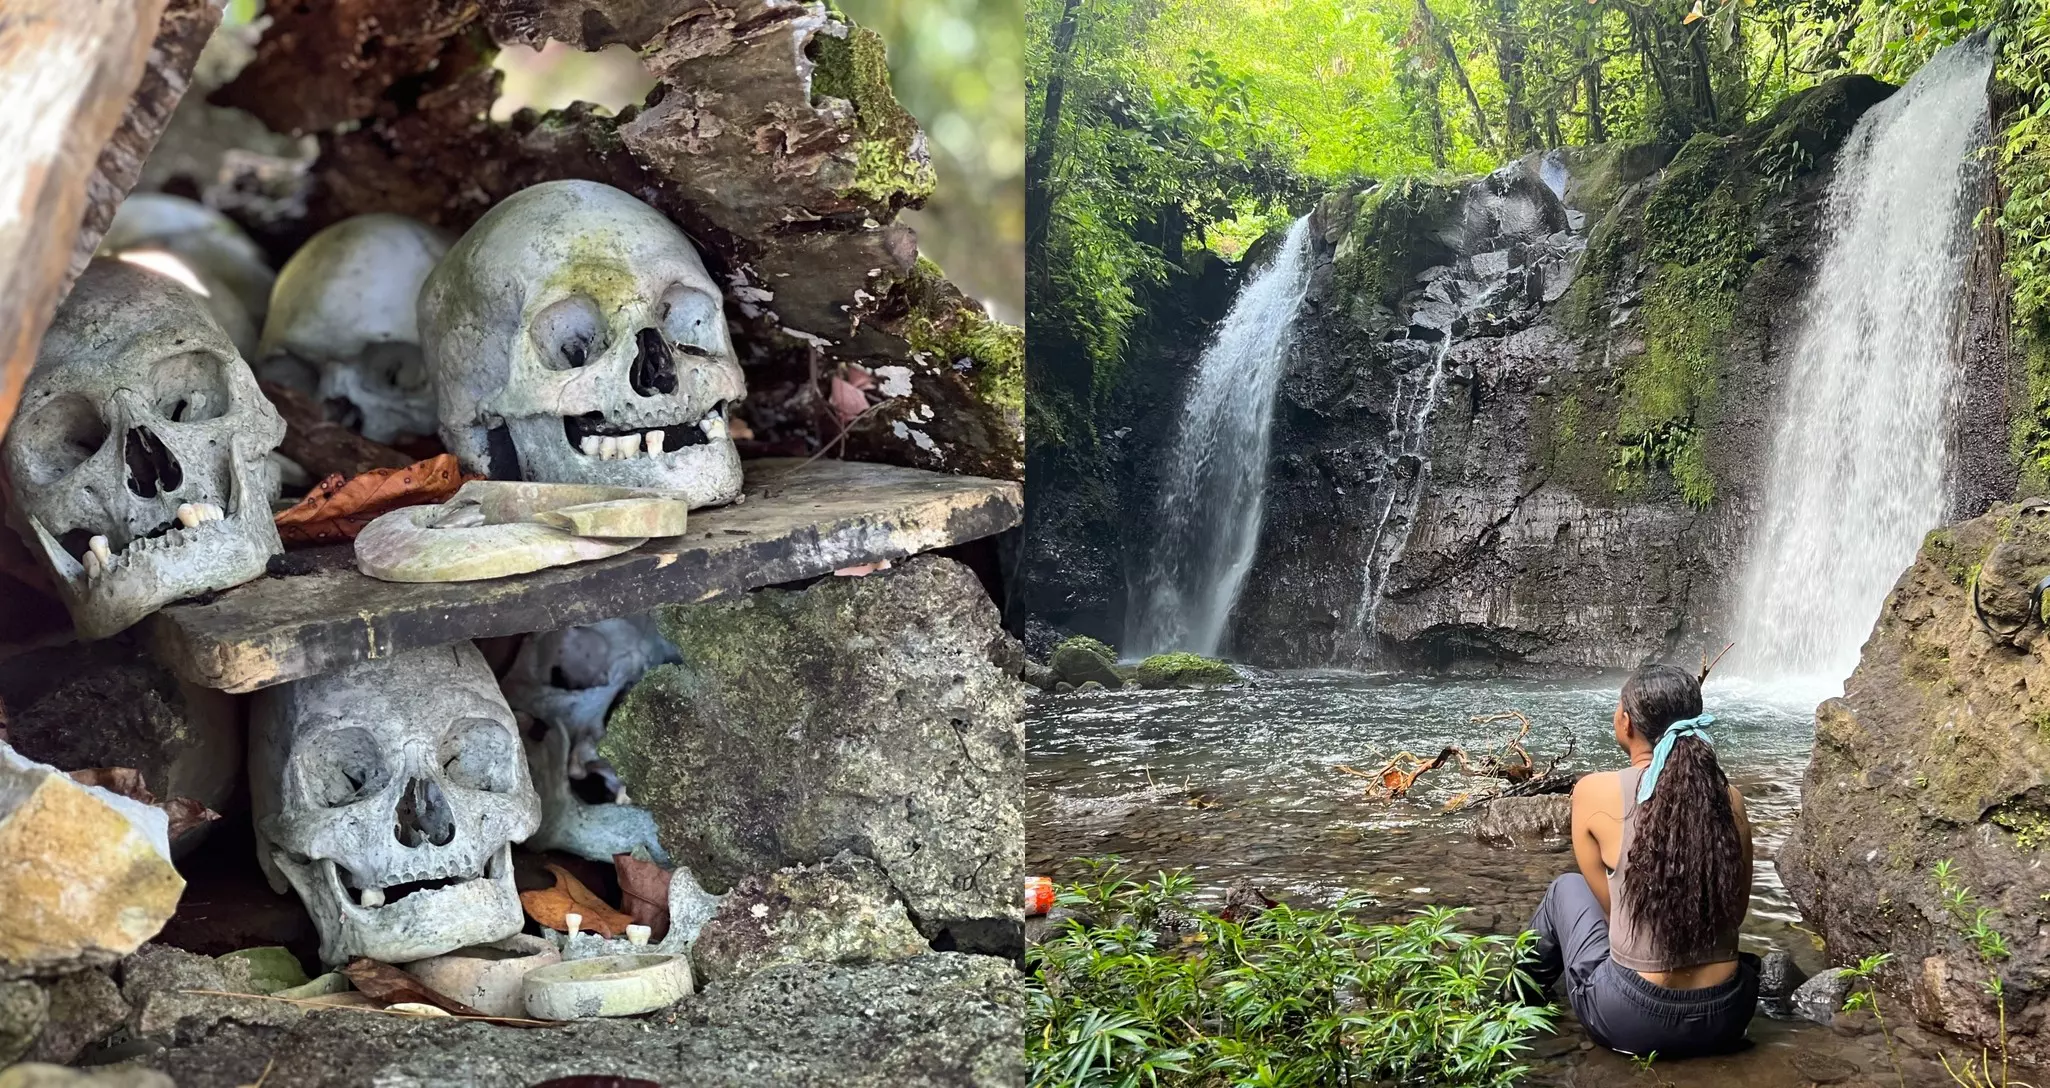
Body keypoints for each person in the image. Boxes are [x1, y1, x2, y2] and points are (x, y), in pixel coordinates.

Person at [1522, 663, 1760, 1058]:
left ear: (1627, 722)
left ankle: (1507, 1008)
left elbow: (1612, 910)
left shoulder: (1593, 791)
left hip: (1633, 1018)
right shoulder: (1730, 798)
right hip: (1729, 1015)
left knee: (1565, 888)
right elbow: (1734, 912)